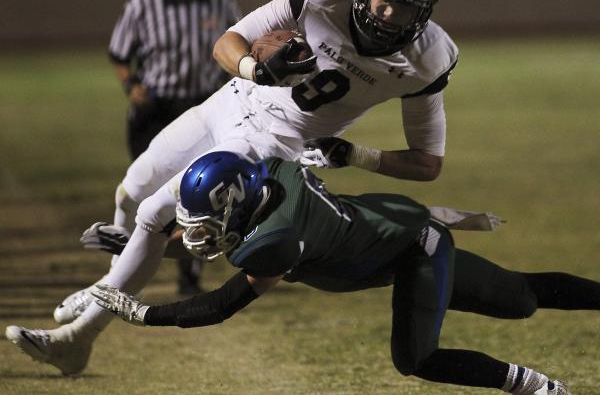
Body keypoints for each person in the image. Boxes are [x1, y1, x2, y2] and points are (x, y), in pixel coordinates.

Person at [5, 0, 459, 375]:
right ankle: (109, 282)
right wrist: (257, 68)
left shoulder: (426, 61)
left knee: (154, 211)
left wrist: (355, 154)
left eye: (406, 7)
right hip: (231, 101)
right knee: (131, 188)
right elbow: (229, 42)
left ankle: (79, 337)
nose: (389, 14)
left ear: (425, 12)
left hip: (268, 142)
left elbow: (427, 163)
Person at [86, 151, 587, 394]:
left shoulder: (274, 240)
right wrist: (141, 242)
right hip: (398, 231)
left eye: (207, 221)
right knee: (518, 297)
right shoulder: (273, 179)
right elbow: (212, 240)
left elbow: (221, 305)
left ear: (237, 206)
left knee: (415, 357)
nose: (198, 234)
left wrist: (143, 313)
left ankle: (534, 388)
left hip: (416, 247)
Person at [79, 0, 242, 307]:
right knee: (144, 191)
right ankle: (122, 266)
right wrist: (131, 86)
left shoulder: (220, 3)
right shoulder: (143, 4)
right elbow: (120, 52)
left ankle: (189, 274)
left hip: (199, 108)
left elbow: (238, 43)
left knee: (197, 193)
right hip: (155, 110)